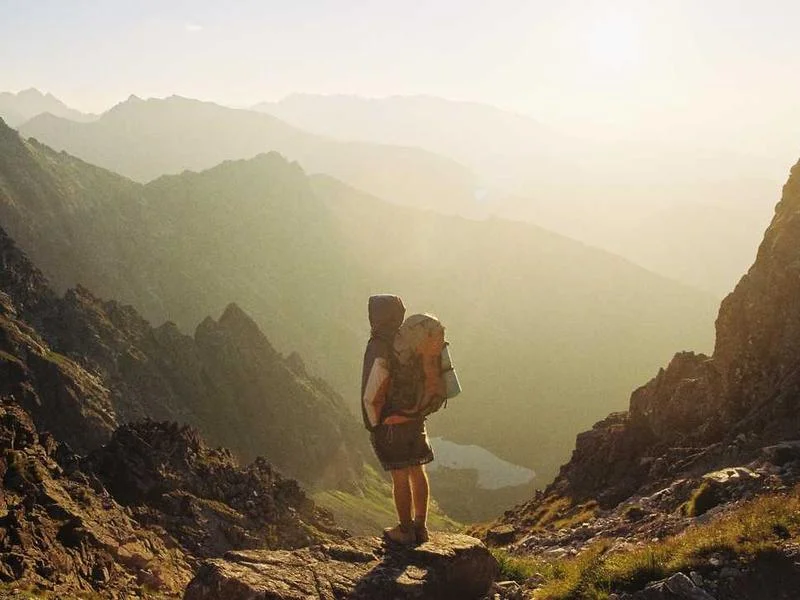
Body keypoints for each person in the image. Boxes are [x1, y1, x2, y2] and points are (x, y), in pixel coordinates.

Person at [361, 294, 439, 545]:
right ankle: (421, 526)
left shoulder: (379, 345)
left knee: (399, 476)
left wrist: (374, 423)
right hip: (415, 417)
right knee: (418, 469)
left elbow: (373, 388)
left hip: (391, 422)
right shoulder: (411, 341)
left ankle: (404, 531)